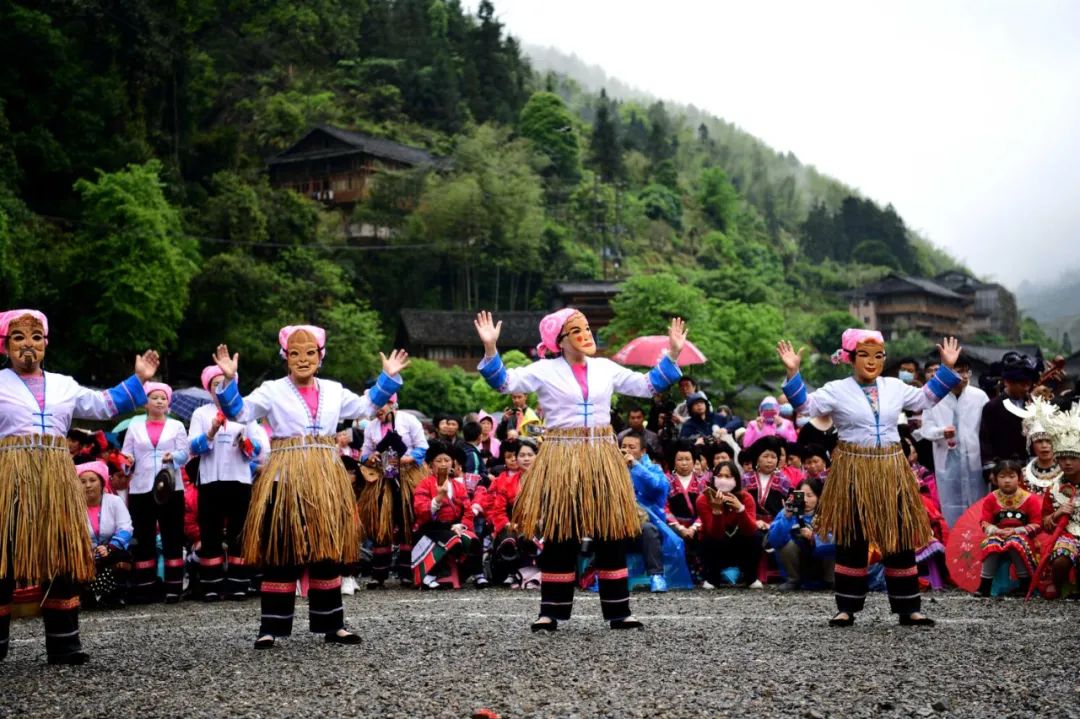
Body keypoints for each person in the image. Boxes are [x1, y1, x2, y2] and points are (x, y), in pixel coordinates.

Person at [474, 308, 685, 632]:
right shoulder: (544, 370)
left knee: (610, 532)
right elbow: (504, 382)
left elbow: (647, 385)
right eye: (576, 330)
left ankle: (619, 611)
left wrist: (673, 353)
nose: (585, 335)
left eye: (587, 328)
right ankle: (551, 611)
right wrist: (490, 347)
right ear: (559, 340)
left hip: (602, 456)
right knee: (561, 532)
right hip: (562, 456)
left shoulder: (605, 368)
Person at [211, 325, 409, 649]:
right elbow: (240, 412)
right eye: (295, 353)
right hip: (285, 475)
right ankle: (271, 627)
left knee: (326, 547)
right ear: (285, 357)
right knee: (282, 547)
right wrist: (230, 380)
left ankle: (333, 624)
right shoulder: (272, 390)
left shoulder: (333, 390)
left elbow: (365, 407)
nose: (303, 359)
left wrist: (387, 377)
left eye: (310, 353)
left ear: (320, 356)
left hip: (325, 476)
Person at [777, 328, 962, 627]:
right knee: (852, 537)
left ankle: (908, 607)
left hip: (891, 468)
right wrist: (793, 373)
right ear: (850, 358)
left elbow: (925, 400)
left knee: (899, 536)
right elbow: (805, 407)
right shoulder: (837, 389)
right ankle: (846, 607)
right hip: (852, 469)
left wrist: (947, 368)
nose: (872, 361)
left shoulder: (894, 386)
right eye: (864, 355)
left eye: (878, 355)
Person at [0, 308, 155, 664]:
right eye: (19, 337)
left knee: (62, 556)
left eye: (36, 337)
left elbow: (104, 405)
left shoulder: (64, 385)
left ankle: (64, 644)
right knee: (3, 558)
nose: (28, 345)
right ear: (5, 346)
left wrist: (139, 379)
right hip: (10, 478)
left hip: (56, 478)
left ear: (46, 344)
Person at [122, 382, 190, 604]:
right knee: (143, 536)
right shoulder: (134, 426)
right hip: (141, 487)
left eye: (163, 398)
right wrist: (127, 461)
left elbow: (185, 454)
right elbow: (125, 455)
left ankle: (173, 588)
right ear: (146, 402)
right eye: (155, 397)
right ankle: (145, 588)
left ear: (168, 403)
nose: (159, 401)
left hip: (170, 486)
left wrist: (174, 457)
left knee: (172, 535)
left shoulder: (177, 426)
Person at [359, 395, 427, 589]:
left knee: (407, 522)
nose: (377, 411)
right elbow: (364, 453)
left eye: (381, 406)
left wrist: (408, 459)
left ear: (392, 404)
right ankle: (379, 575)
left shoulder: (409, 420)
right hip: (382, 479)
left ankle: (407, 573)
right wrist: (370, 457)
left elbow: (422, 447)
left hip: (408, 476)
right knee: (382, 525)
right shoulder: (371, 427)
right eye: (375, 408)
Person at [918, 353, 989, 525]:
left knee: (978, 508)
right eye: (959, 371)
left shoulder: (979, 397)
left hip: (975, 463)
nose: (964, 376)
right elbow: (926, 429)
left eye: (966, 371)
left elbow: (988, 431)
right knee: (951, 509)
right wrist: (941, 432)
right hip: (947, 462)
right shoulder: (935, 397)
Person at [620, 432, 692, 593]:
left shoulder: (654, 469)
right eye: (623, 446)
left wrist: (635, 465)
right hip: (620, 523)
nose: (626, 450)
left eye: (631, 447)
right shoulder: (613, 470)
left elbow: (658, 486)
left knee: (648, 530)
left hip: (647, 524)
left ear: (643, 451)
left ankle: (656, 576)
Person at [411, 441, 483, 589]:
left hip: (455, 526)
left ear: (453, 464)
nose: (443, 464)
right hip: (431, 528)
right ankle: (429, 576)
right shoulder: (424, 484)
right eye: (439, 461)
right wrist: (438, 498)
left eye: (447, 460)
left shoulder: (458, 486)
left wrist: (461, 525)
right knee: (452, 541)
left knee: (473, 540)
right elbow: (420, 510)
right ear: (430, 465)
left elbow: (468, 511)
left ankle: (478, 574)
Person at [978, 459, 1042, 597]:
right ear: (995, 479)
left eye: (1012, 476)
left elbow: (1037, 524)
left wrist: (1016, 531)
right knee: (991, 543)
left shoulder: (1030, 499)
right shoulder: (991, 499)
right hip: (998, 535)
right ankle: (984, 586)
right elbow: (984, 522)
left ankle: (1025, 584)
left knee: (1015, 542)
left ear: (1019, 478)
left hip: (1024, 537)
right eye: (1002, 477)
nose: (1007, 480)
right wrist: (997, 531)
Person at [78, 461, 133, 609]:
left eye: (92, 480)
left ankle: (115, 595)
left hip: (110, 553)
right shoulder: (73, 507)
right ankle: (87, 595)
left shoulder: (114, 501)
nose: (88, 485)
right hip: (85, 555)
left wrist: (110, 547)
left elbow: (126, 527)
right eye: (82, 482)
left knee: (122, 556)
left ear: (102, 483)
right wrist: (85, 551)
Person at [696, 460, 759, 588]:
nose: (723, 480)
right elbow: (715, 534)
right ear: (713, 479)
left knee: (756, 537)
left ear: (736, 480)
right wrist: (717, 511)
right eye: (719, 476)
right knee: (707, 540)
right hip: (716, 545)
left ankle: (750, 578)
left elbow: (750, 530)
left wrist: (740, 509)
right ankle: (712, 578)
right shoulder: (703, 499)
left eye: (728, 476)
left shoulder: (746, 498)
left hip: (739, 544)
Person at [1040, 406, 1080, 600]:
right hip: (1067, 535)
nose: (1067, 463)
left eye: (1072, 458)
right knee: (1060, 560)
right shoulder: (1054, 489)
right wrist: (1058, 513)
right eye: (1062, 458)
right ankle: (1060, 585)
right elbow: (1044, 524)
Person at [767, 478, 835, 591]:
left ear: (819, 497)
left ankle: (830, 580)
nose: (805, 500)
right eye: (801, 495)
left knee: (830, 542)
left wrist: (814, 537)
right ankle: (793, 579)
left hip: (822, 561)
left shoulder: (828, 513)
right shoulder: (788, 512)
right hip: (798, 560)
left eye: (810, 495)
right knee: (787, 545)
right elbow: (774, 541)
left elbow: (837, 540)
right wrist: (786, 518)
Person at [980, 352, 1040, 475]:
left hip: (1030, 466)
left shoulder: (1034, 405)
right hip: (1003, 468)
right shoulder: (993, 407)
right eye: (1022, 384)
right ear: (1007, 382)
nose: (1026, 388)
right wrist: (991, 469)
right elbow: (985, 441)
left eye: (1028, 384)